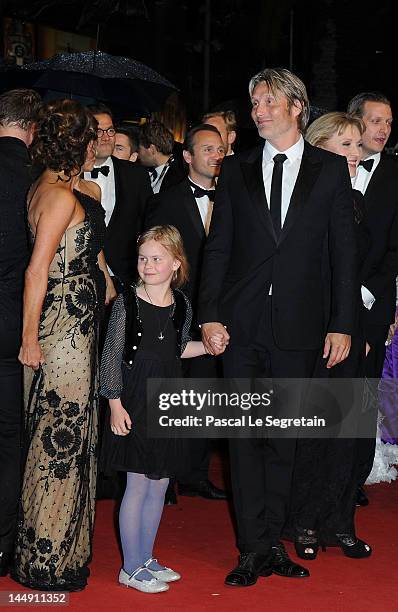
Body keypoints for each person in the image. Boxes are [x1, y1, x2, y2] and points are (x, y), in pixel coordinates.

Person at [198, 68, 357, 587]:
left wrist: (342, 324)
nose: (258, 110)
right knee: (245, 439)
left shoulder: (330, 170)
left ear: (295, 106)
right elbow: (217, 248)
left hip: (301, 328)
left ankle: (274, 542)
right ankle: (252, 548)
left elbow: (343, 254)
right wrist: (210, 314)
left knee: (284, 439)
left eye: (268, 101)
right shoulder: (236, 169)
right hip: (241, 328)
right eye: (255, 102)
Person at [12, 99, 113, 591]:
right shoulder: (57, 197)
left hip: (74, 330)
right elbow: (37, 271)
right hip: (61, 336)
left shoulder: (55, 188)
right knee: (61, 445)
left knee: (65, 443)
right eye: (95, 137)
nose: (102, 145)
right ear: (82, 142)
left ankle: (56, 551)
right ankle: (48, 560)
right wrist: (30, 340)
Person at [99, 225, 224, 593]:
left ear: (175, 263)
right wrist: (115, 404)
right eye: (143, 258)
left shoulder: (182, 305)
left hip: (168, 398)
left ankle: (146, 556)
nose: (148, 265)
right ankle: (131, 566)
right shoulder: (126, 304)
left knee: (160, 482)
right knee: (137, 482)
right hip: (135, 398)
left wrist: (210, 347)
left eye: (157, 259)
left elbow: (180, 349)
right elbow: (111, 357)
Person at [286, 112, 372, 560]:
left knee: (350, 430)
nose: (355, 154)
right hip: (319, 326)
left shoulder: (359, 199)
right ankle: (303, 522)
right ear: (319, 149)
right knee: (317, 428)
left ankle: (340, 522)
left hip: (354, 325)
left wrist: (366, 319)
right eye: (345, 145)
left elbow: (367, 267)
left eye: (358, 145)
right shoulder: (307, 198)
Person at [145, 124, 227, 504]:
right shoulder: (167, 201)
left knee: (205, 395)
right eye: (208, 149)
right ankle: (159, 474)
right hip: (175, 309)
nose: (217, 155)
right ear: (188, 157)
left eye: (221, 149)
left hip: (218, 313)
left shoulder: (238, 198)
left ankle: (194, 473)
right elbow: (152, 259)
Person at [347, 92, 398, 505]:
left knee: (363, 393)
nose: (383, 129)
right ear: (355, 122)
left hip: (372, 300)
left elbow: (394, 249)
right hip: (324, 303)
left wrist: (364, 292)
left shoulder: (395, 176)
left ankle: (352, 479)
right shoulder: (326, 166)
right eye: (376, 121)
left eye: (388, 123)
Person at [0, 88, 42, 578]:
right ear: (31, 131)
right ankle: (4, 545)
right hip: (11, 325)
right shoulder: (34, 181)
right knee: (9, 437)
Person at [85, 103, 152, 286]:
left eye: (110, 131)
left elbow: (149, 223)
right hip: (81, 276)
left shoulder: (136, 175)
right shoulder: (70, 174)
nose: (106, 137)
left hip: (124, 277)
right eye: (99, 131)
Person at [138, 120, 186, 193]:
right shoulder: (142, 171)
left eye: (139, 149)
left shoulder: (179, 178)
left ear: (152, 150)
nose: (137, 153)